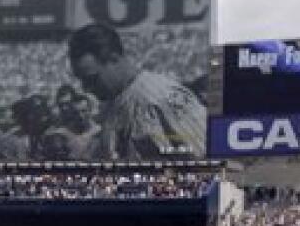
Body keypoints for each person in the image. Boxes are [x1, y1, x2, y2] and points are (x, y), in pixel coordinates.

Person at [67, 23, 206, 161]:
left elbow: (204, 154)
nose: (86, 88)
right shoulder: (111, 103)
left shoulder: (159, 97)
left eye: (92, 79)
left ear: (113, 59)